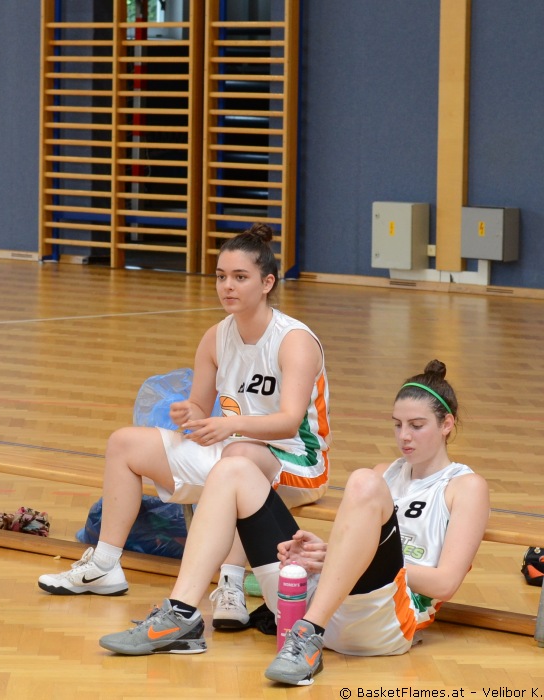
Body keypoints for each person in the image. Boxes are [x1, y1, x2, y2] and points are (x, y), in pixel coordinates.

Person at [97, 360, 490, 689]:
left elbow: (445, 583)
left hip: (384, 621)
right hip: (323, 603)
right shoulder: (385, 471)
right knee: (234, 469)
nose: (404, 436)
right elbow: (349, 549)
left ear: (446, 425)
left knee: (362, 482)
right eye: (397, 424)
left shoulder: (466, 486)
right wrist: (316, 551)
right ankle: (181, 614)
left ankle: (309, 636)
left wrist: (335, 558)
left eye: (417, 425)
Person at [38, 223, 331, 629]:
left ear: (267, 283)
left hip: (296, 460)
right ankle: (104, 564)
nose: (227, 286)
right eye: (221, 276)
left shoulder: (293, 340)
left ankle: (230, 584)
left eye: (240, 277)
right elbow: (199, 405)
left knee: (238, 456)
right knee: (124, 443)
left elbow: (289, 421)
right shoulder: (215, 337)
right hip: (234, 449)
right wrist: (188, 413)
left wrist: (230, 426)